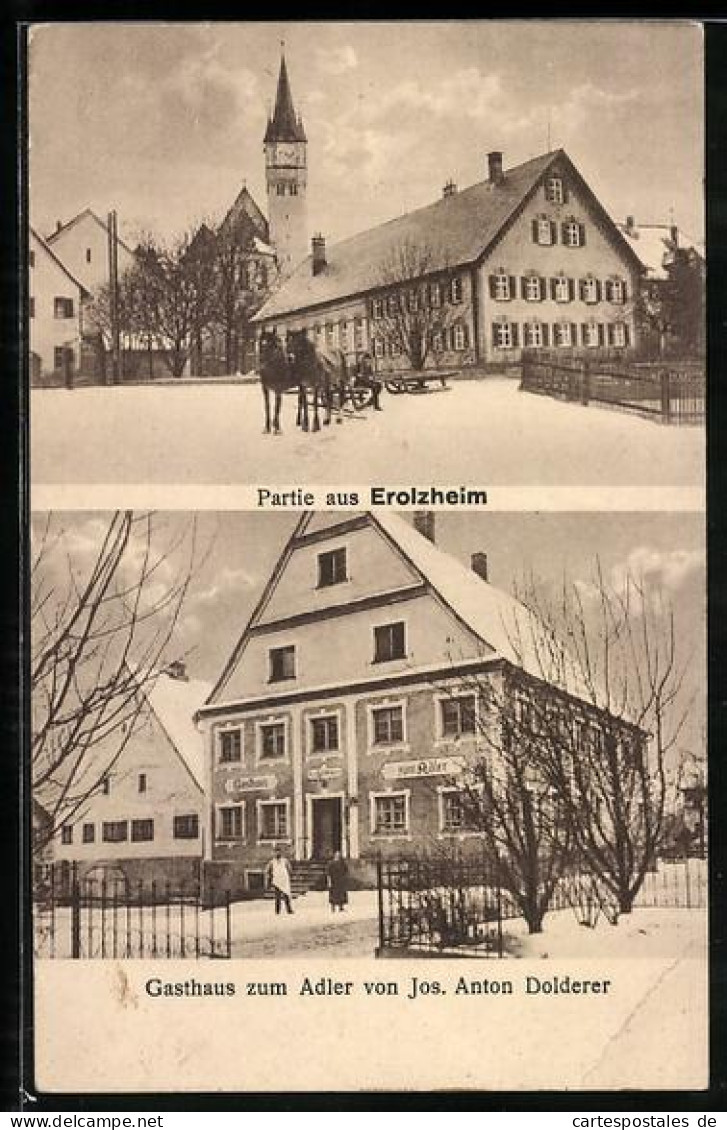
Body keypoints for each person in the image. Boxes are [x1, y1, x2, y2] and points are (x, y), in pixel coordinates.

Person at [266, 847, 294, 915]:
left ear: (281, 853)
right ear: (274, 853)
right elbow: (268, 871)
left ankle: (289, 910)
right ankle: (277, 911)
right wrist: (269, 879)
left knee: (286, 895)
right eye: (276, 852)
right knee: (277, 897)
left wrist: (288, 876)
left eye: (278, 852)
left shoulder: (285, 861)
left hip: (284, 880)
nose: (277, 853)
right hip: (277, 881)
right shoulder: (272, 862)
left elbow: (289, 869)